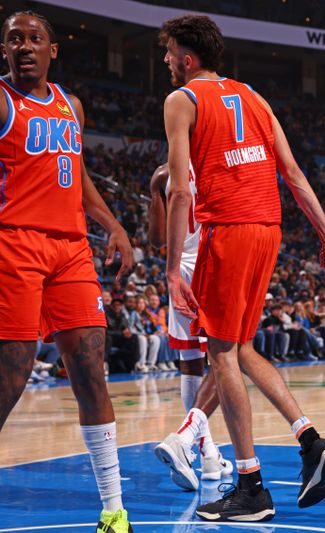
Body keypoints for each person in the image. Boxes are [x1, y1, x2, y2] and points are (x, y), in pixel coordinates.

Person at [160, 15, 325, 521]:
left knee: (220, 354)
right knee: (240, 347)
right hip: (269, 228)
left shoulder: (182, 100)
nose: (167, 62)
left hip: (230, 229)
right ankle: (310, 440)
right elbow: (293, 173)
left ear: (188, 58)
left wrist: (173, 269)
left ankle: (250, 484)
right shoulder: (256, 98)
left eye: (170, 53)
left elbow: (179, 192)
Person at [0, 11, 134, 532]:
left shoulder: (69, 105)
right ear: (4, 50)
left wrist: (113, 225)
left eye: (35, 39)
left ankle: (114, 511)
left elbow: (75, 174)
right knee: (10, 376)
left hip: (73, 248)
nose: (26, 46)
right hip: (16, 244)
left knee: (90, 372)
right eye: (15, 39)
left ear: (53, 50)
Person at [149, 162, 233, 490]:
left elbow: (157, 238)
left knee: (191, 365)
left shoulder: (162, 173)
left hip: (180, 269)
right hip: (211, 263)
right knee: (226, 357)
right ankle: (203, 449)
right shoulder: (217, 163)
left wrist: (154, 192)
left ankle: (208, 454)